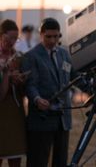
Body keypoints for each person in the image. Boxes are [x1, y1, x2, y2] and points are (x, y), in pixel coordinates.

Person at [22, 17, 77, 167]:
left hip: (62, 119)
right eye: (49, 36)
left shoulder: (64, 54)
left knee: (60, 161)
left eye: (56, 36)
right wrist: (37, 99)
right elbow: (30, 85)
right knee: (38, 160)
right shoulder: (31, 56)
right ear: (41, 34)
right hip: (41, 118)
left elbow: (75, 77)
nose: (53, 40)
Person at [0, 19, 27, 167]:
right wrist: (6, 76)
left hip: (15, 109)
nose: (12, 42)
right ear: (1, 35)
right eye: (9, 38)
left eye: (15, 39)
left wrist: (20, 80)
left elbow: (25, 90)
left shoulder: (19, 57)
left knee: (15, 157)